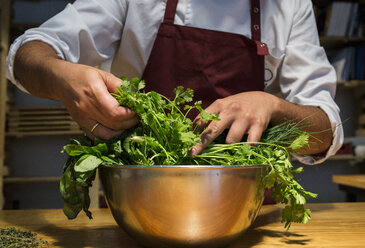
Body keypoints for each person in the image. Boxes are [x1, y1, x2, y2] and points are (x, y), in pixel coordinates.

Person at [6, 0, 343, 164]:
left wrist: (274, 106)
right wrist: (61, 78)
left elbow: (324, 132)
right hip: (138, 201)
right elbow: (29, 55)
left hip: (249, 208)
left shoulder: (289, 5)